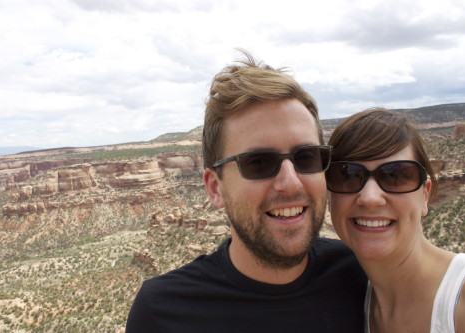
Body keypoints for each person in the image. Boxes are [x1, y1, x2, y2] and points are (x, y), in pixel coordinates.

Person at [125, 51, 367, 332]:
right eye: (259, 163)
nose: (290, 182)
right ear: (215, 187)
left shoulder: (362, 275)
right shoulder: (161, 313)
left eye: (306, 157)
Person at [325, 108, 465, 333]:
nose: (370, 198)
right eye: (348, 175)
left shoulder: (461, 299)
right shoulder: (344, 300)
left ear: (426, 195)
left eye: (396, 175)